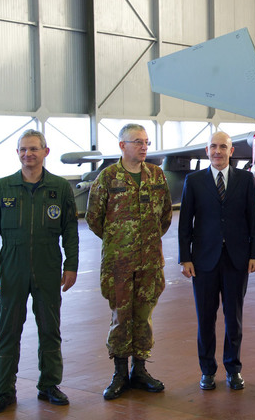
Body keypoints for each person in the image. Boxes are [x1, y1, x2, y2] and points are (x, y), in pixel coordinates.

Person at [0, 129, 78, 415]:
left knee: (50, 328)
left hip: (48, 265)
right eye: (23, 149)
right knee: (8, 330)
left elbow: (70, 232)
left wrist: (71, 264)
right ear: (18, 153)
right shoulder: (2, 187)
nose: (28, 154)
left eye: (34, 149)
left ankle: (49, 384)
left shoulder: (60, 189)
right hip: (11, 266)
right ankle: (3, 391)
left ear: (45, 152)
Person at [86, 124, 172, 400]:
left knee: (144, 317)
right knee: (121, 317)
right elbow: (94, 219)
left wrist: (145, 240)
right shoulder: (108, 177)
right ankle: (120, 373)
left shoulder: (157, 176)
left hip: (149, 262)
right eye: (137, 142)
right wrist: (119, 241)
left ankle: (141, 370)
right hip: (118, 264)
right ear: (122, 145)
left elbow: (165, 217)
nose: (144, 146)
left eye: (146, 142)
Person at [178, 131, 255, 391]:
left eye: (222, 146)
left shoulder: (246, 180)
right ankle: (207, 370)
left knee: (233, 317)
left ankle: (233, 369)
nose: (217, 151)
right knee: (205, 318)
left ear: (231, 151)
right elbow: (184, 224)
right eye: (213, 146)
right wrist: (185, 258)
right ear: (207, 150)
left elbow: (253, 221)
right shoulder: (193, 181)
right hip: (203, 261)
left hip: (237, 259)